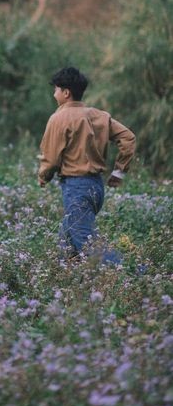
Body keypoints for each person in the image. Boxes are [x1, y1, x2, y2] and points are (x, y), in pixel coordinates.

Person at [37, 66, 136, 265]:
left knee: (86, 242)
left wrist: (43, 176)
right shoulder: (100, 116)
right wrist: (118, 173)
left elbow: (51, 160)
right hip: (96, 187)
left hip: (77, 188)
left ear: (66, 92)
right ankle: (65, 276)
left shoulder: (58, 118)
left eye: (56, 90)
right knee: (66, 238)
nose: (54, 94)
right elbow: (128, 138)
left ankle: (134, 273)